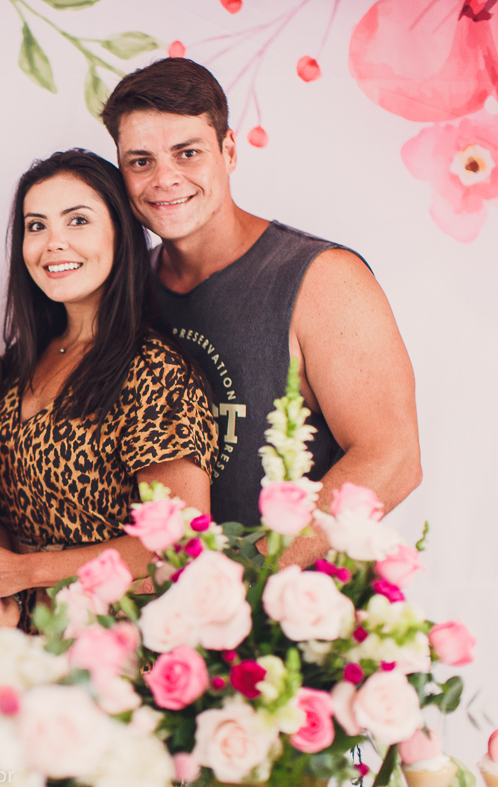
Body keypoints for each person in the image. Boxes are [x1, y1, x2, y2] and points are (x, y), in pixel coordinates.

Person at [100, 58, 421, 566]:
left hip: (281, 625)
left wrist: (251, 581)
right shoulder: (121, 287)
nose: (164, 179)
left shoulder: (320, 277)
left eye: (188, 153)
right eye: (140, 161)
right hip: (149, 618)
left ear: (228, 151)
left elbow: (391, 458)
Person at [0, 149, 218, 626]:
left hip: (118, 642)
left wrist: (25, 571)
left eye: (77, 221)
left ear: (121, 235)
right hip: (24, 643)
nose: (52, 243)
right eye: (36, 226)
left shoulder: (154, 371)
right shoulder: (21, 361)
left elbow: (180, 542)